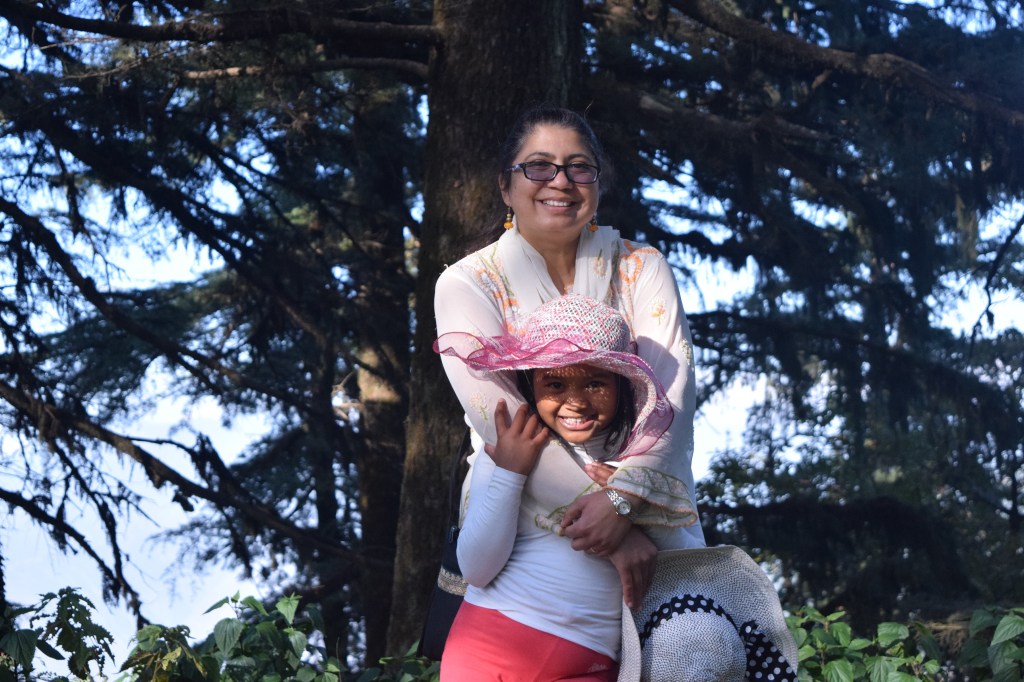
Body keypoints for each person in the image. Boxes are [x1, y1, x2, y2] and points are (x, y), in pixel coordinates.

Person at [433, 105, 705, 594]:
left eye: (580, 167)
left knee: (694, 643)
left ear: (598, 184)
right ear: (504, 186)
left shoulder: (642, 266)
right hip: (522, 502)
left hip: (643, 499)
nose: (560, 181)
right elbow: (505, 420)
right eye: (539, 166)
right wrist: (609, 531)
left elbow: (674, 393)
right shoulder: (466, 283)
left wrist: (626, 502)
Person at [434, 294, 699, 680]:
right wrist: (510, 473)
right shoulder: (513, 448)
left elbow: (693, 563)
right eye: (554, 383)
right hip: (491, 652)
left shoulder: (647, 464)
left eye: (595, 382)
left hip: (596, 662)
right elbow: (474, 568)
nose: (575, 402)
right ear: (531, 385)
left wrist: (634, 506)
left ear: (623, 385)